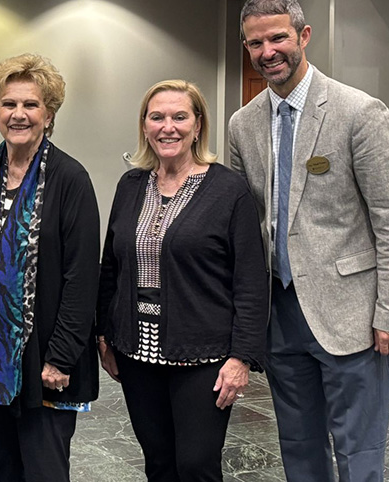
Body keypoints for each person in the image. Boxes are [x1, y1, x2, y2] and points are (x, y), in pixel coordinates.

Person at [229, 1, 389, 480]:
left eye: (278, 38)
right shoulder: (242, 124)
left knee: (359, 454)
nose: (268, 51)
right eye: (256, 42)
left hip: (352, 316)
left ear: (304, 35)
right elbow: (243, 225)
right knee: (298, 448)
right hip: (279, 316)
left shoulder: (359, 112)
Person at [0, 53, 100, 482]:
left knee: (45, 472)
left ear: (49, 114)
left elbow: (82, 279)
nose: (19, 114)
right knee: (3, 470)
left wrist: (60, 357)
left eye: (31, 104)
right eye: (8, 104)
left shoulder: (70, 178)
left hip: (43, 362)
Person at [96, 80, 268, 482]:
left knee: (196, 466)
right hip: (137, 352)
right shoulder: (131, 186)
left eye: (179, 117)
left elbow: (250, 282)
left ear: (198, 125)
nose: (167, 127)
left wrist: (241, 357)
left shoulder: (228, 190)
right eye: (157, 117)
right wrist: (104, 335)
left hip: (203, 355)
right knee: (158, 463)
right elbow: (111, 267)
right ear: (144, 125)